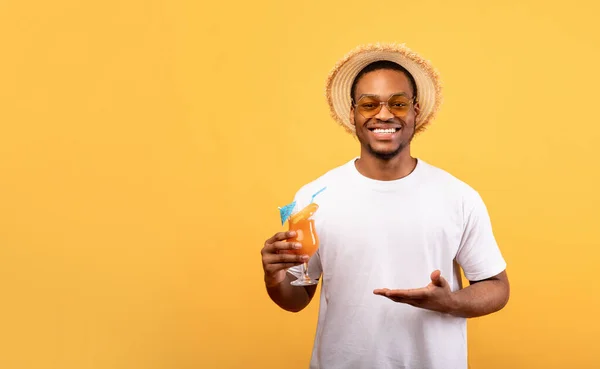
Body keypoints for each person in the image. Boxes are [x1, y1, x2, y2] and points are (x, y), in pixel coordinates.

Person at [260, 42, 510, 369]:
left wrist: (449, 302)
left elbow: (496, 287)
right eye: (369, 104)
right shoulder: (313, 198)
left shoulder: (457, 196)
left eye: (398, 103)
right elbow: (295, 300)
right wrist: (274, 278)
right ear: (352, 113)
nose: (384, 114)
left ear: (416, 111)